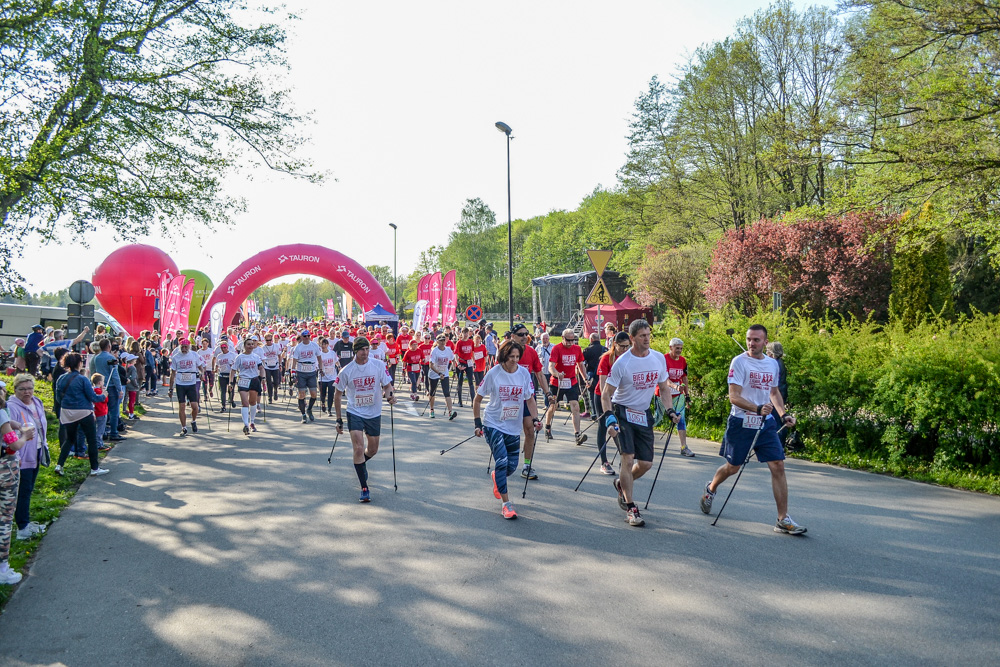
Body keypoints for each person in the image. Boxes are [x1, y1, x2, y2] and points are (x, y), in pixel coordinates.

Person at [699, 325, 804, 535]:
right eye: (749, 339)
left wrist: (783, 414)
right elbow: (734, 397)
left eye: (756, 340)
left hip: (765, 423)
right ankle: (711, 489)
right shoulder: (739, 362)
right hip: (741, 421)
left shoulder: (772, 364)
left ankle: (782, 519)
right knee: (733, 467)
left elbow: (773, 392)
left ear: (765, 342)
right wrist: (756, 408)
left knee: (778, 465)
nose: (751, 343)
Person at [603, 319, 681, 527]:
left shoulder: (657, 358)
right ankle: (631, 508)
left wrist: (670, 410)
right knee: (627, 459)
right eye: (642, 336)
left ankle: (622, 483)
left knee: (645, 464)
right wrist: (609, 418)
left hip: (643, 413)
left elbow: (664, 388)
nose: (647, 339)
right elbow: (606, 394)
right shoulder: (623, 363)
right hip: (623, 411)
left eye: (648, 335)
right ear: (632, 338)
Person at [473, 339, 542, 520]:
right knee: (502, 462)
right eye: (511, 356)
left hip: (512, 426)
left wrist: (535, 419)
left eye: (517, 356)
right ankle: (506, 504)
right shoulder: (493, 373)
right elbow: (477, 400)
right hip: (493, 423)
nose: (515, 360)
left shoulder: (524, 374)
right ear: (503, 356)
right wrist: (477, 424)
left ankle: (498, 476)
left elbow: (529, 399)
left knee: (510, 467)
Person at [333, 336, 395, 503]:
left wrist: (390, 396)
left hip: (374, 412)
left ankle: (360, 464)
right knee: (359, 448)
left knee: (372, 449)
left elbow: (388, 385)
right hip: (355, 412)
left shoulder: (378, 365)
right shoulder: (346, 371)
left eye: (367, 349)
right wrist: (339, 419)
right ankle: (364, 487)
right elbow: (337, 395)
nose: (365, 352)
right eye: (362, 349)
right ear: (355, 351)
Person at [0, 387, 36, 584]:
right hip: (4, 469)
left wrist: (14, 424)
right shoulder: (0, 414)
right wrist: (25, 435)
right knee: (4, 519)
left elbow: (10, 423)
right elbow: (13, 444)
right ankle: (2, 569)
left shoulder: (4, 414)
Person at [53, 353, 109, 477]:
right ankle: (94, 468)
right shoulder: (82, 379)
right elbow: (93, 397)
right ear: (79, 363)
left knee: (69, 439)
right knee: (91, 440)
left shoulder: (61, 378)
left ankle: (59, 465)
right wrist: (103, 395)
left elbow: (58, 398)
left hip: (67, 412)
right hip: (84, 412)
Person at [8, 374, 48, 540]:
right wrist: (18, 454)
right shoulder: (12, 407)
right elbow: (9, 432)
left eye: (30, 388)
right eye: (22, 389)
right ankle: (22, 528)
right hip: (22, 455)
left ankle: (25, 522)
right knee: (23, 492)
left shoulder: (37, 401)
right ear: (15, 390)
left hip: (37, 451)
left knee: (29, 488)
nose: (27, 392)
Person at [544, 329, 590, 445]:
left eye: (573, 340)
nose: (570, 343)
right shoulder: (556, 348)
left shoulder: (577, 349)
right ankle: (548, 426)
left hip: (571, 381)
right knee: (553, 406)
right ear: (562, 338)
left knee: (575, 407)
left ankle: (577, 434)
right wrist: (557, 374)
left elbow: (580, 365)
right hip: (557, 382)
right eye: (568, 340)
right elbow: (551, 367)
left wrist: (585, 379)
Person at [594, 331, 631, 475]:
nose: (625, 350)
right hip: (603, 396)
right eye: (622, 346)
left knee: (620, 428)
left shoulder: (629, 359)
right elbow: (603, 384)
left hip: (620, 397)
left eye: (628, 347)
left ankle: (624, 458)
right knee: (605, 426)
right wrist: (608, 401)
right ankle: (604, 462)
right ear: (614, 344)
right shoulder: (607, 359)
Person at [664, 338, 695, 458]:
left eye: (681, 348)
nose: (679, 351)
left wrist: (687, 396)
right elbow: (664, 378)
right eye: (677, 348)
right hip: (664, 394)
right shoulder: (664, 359)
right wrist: (673, 386)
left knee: (680, 419)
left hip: (678, 395)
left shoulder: (682, 361)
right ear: (671, 347)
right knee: (657, 418)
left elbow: (685, 378)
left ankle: (684, 447)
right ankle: (643, 442)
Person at [169, 337, 206, 435]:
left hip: (191, 383)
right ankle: (184, 427)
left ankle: (193, 421)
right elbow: (172, 373)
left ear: (189, 347)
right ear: (180, 347)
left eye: (186, 347)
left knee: (195, 407)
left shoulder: (194, 355)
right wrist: (170, 388)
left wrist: (202, 374)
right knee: (182, 406)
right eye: (183, 347)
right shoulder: (176, 357)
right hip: (180, 383)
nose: (184, 349)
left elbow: (201, 367)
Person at [92, 339, 125, 443]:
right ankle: (114, 432)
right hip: (111, 386)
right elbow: (115, 374)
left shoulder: (96, 358)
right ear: (109, 346)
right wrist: (119, 389)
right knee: (114, 410)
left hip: (101, 386)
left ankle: (104, 431)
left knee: (102, 410)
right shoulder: (111, 358)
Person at [233, 338, 264, 435]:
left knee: (252, 402)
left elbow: (261, 367)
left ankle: (252, 422)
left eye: (252, 344)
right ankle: (246, 424)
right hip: (243, 380)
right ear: (244, 346)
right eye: (248, 344)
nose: (250, 346)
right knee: (245, 403)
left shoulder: (256, 357)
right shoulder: (239, 357)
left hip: (254, 380)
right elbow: (233, 370)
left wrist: (262, 378)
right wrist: (231, 382)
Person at [291, 330, 322, 423]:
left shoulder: (314, 346)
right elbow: (294, 361)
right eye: (305, 336)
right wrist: (293, 373)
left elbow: (319, 358)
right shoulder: (298, 347)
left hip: (312, 371)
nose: (307, 337)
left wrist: (321, 369)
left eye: (308, 336)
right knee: (301, 394)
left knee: (314, 394)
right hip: (301, 372)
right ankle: (303, 415)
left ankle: (309, 409)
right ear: (301, 337)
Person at [767, 341, 790, 451]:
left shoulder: (774, 364)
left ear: (771, 353)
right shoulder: (778, 362)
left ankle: (778, 446)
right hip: (781, 394)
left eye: (767, 351)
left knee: (776, 421)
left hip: (776, 396)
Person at [427, 334, 457, 420]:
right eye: (440, 340)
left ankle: (450, 412)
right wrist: (439, 373)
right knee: (432, 392)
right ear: (437, 342)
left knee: (446, 392)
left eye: (444, 340)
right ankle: (431, 410)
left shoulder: (448, 350)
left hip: (445, 373)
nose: (442, 342)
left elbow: (453, 359)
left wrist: (454, 369)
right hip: (434, 373)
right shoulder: (435, 351)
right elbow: (431, 365)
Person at [582, 332, 606, 420]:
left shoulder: (587, 350)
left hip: (591, 375)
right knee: (603, 393)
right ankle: (604, 412)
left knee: (592, 395)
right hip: (603, 375)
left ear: (591, 339)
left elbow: (582, 363)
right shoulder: (605, 349)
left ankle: (594, 413)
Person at [453, 329, 476, 407]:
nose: (466, 334)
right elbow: (455, 354)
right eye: (464, 333)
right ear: (462, 333)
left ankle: (473, 401)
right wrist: (458, 364)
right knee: (460, 382)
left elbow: (472, 352)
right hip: (461, 362)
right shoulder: (459, 342)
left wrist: (474, 362)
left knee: (471, 382)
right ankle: (460, 401)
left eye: (467, 333)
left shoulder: (471, 342)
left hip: (469, 363)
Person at [318, 337, 339, 415]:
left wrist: (339, 367)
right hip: (322, 377)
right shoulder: (319, 354)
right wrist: (320, 370)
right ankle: (323, 402)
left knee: (331, 393)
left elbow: (336, 361)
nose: (323, 346)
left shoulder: (332, 353)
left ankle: (329, 409)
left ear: (327, 345)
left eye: (325, 344)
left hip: (332, 376)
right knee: (323, 394)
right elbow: (317, 364)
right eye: (322, 344)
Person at [213, 340, 237, 411]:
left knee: (231, 390)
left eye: (225, 347)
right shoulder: (219, 356)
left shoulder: (232, 355)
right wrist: (215, 369)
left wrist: (233, 366)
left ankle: (231, 400)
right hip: (222, 375)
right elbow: (217, 364)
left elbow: (236, 364)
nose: (223, 349)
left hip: (231, 375)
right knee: (223, 391)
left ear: (227, 347)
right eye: (222, 348)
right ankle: (223, 406)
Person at [259, 333, 282, 403]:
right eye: (267, 340)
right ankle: (270, 397)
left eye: (270, 340)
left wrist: (280, 364)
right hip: (267, 366)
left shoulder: (276, 346)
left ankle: (275, 391)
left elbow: (279, 355)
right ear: (265, 340)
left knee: (276, 382)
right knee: (269, 382)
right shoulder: (263, 348)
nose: (269, 341)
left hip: (275, 365)